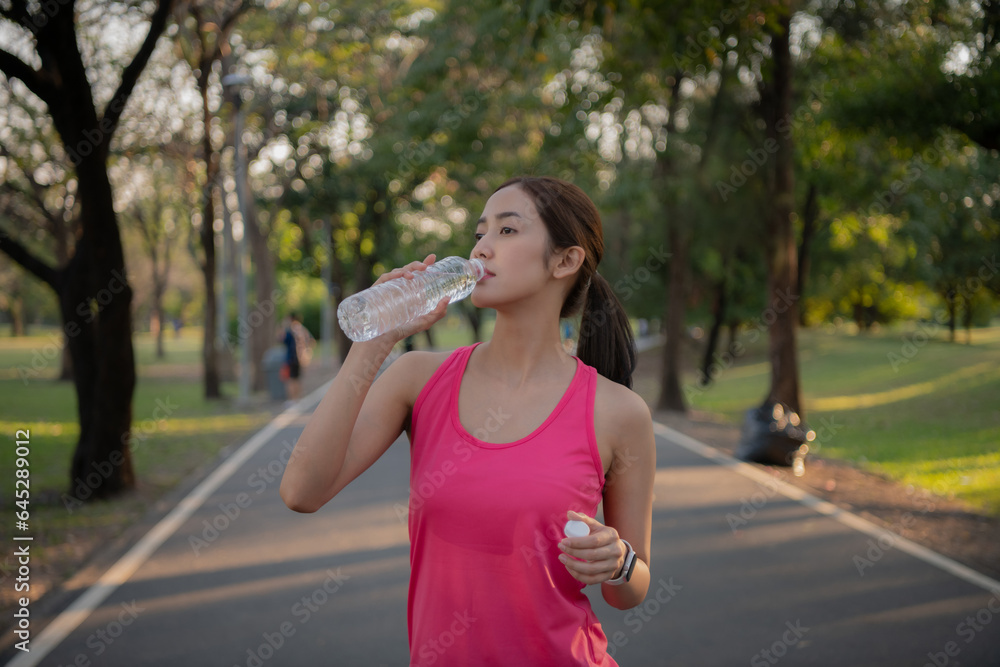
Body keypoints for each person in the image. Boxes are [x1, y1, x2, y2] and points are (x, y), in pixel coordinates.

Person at [280, 176, 656, 666]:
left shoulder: (618, 412)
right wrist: (374, 342)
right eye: (481, 232)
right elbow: (301, 491)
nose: (482, 247)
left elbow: (630, 591)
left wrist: (620, 561)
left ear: (565, 260)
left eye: (506, 231)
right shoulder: (418, 377)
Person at [281, 312, 313, 402]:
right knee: (297, 378)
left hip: (290, 358)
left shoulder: (289, 331)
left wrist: (282, 327)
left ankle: (292, 399)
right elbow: (311, 340)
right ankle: (298, 397)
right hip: (299, 358)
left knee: (290, 379)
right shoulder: (301, 329)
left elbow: (282, 339)